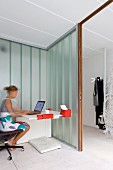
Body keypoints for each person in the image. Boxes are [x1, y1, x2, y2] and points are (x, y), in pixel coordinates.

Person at [0, 85, 30, 150]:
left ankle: (11, 141)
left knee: (20, 123)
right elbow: (13, 114)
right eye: (16, 93)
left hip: (4, 124)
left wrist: (23, 111)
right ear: (12, 92)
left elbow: (13, 111)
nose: (16, 94)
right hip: (5, 125)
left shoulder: (5, 100)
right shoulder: (8, 101)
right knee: (27, 126)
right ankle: (12, 143)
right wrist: (23, 114)